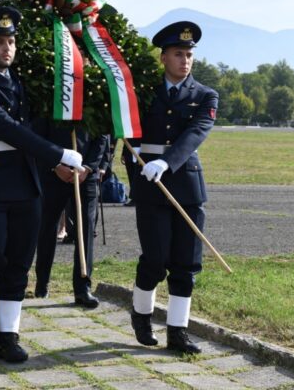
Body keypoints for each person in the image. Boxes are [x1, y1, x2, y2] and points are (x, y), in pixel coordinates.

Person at [0, 7, 84, 363]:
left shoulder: (17, 82)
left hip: (26, 185)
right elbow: (9, 130)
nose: (7, 48)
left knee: (18, 263)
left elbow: (34, 126)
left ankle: (8, 336)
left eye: (11, 41)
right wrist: (57, 154)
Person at [129, 21, 218, 355]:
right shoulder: (142, 91)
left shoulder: (205, 95)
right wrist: (135, 159)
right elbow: (129, 131)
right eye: (178, 54)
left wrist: (166, 162)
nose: (185, 60)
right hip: (151, 188)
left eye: (189, 54)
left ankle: (178, 332)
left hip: (187, 185)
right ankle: (141, 315)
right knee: (155, 260)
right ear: (163, 57)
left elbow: (196, 132)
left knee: (186, 263)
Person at [33, 120, 107, 308]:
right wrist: (55, 165)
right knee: (48, 226)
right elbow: (39, 136)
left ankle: (83, 288)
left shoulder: (93, 98)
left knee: (86, 229)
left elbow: (102, 136)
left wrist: (88, 168)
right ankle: (42, 282)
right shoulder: (51, 97)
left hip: (85, 175)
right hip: (54, 172)